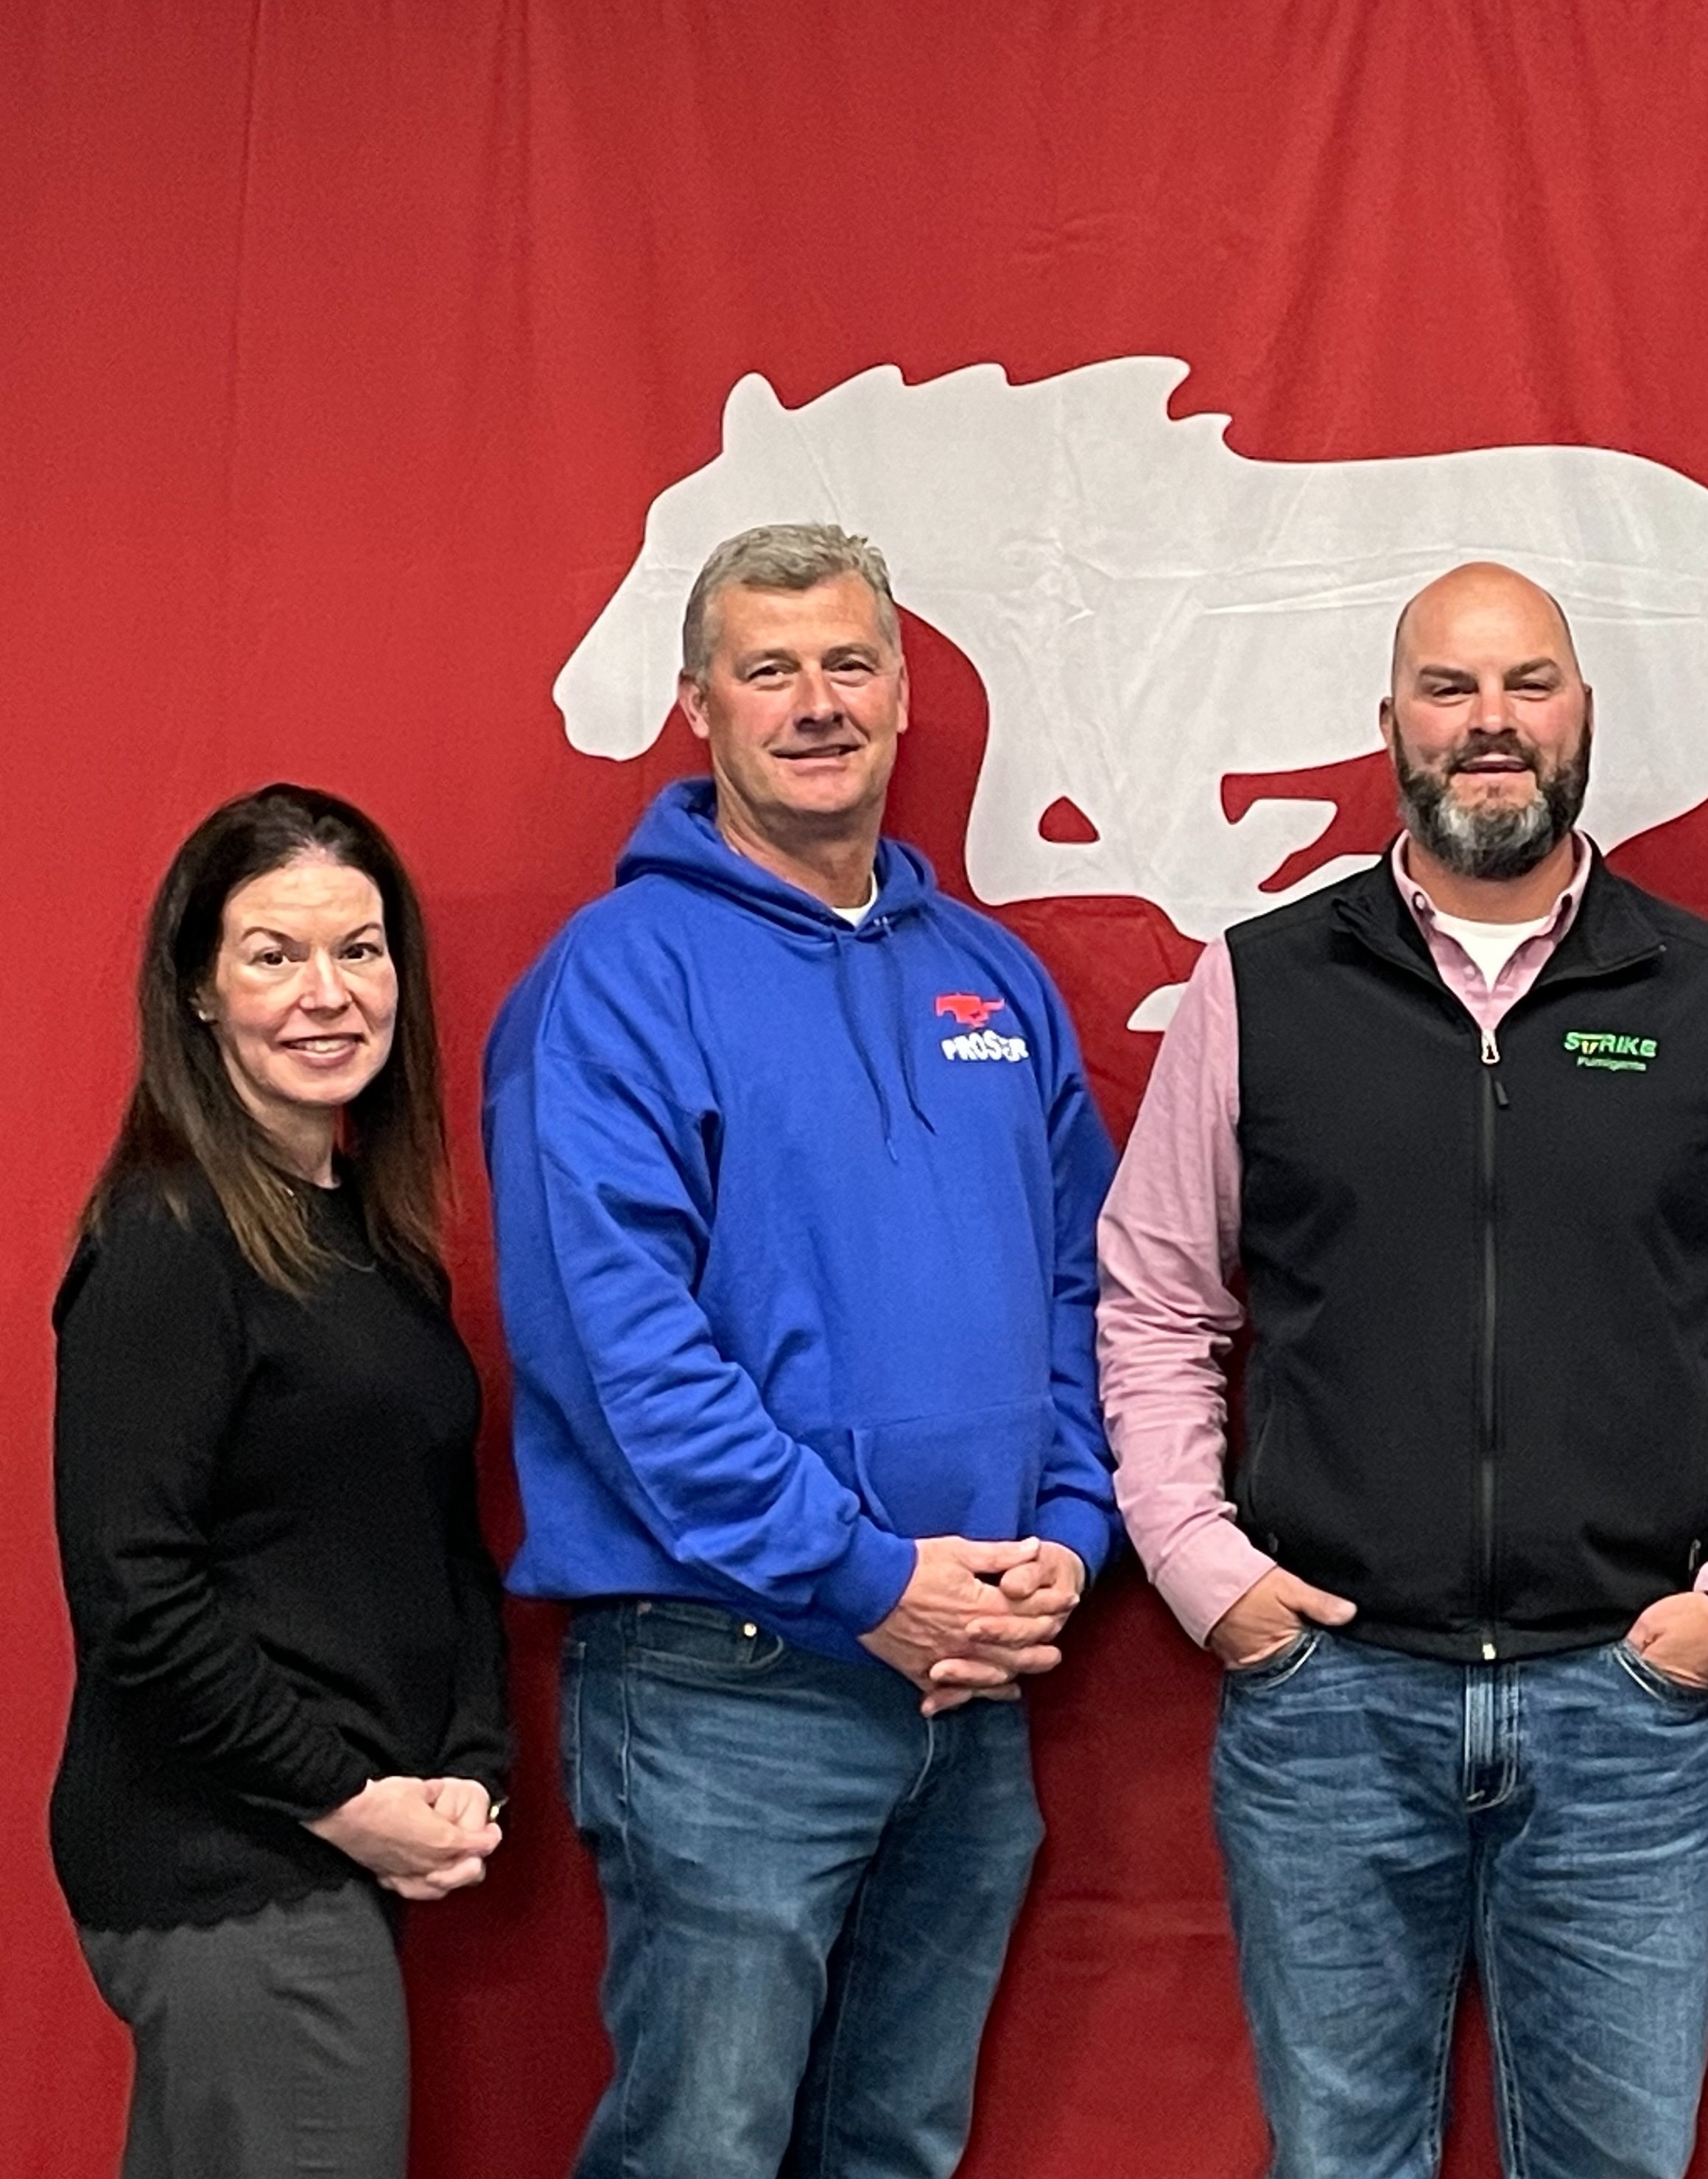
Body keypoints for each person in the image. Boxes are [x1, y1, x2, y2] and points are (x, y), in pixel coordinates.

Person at [1100, 560, 1708, 2179]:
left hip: (1627, 1706)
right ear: (1391, 723)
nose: (1491, 722)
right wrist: (1202, 1569)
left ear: (1584, 715)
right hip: (1330, 1701)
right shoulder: (1261, 984)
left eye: (1528, 685)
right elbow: (1158, 1303)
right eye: (1450, 688)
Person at [484, 522, 1118, 2179]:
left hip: (972, 1682)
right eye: (768, 670)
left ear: (904, 693)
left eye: (848, 663)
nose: (815, 703)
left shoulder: (994, 980)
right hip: (728, 1682)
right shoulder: (613, 983)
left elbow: (1083, 1286)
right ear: (699, 707)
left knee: (894, 2145)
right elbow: (624, 1356)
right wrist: (861, 1576)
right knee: (701, 2152)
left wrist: (1067, 1532)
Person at [52, 784, 510, 2179]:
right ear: (199, 990)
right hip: (229, 1865)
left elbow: (436, 1538)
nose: (327, 993)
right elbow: (136, 1593)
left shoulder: (372, 1242)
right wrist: (347, 1799)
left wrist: (468, 1769)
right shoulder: (169, 1239)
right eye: (274, 954)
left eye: (359, 950)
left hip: (326, 1854)